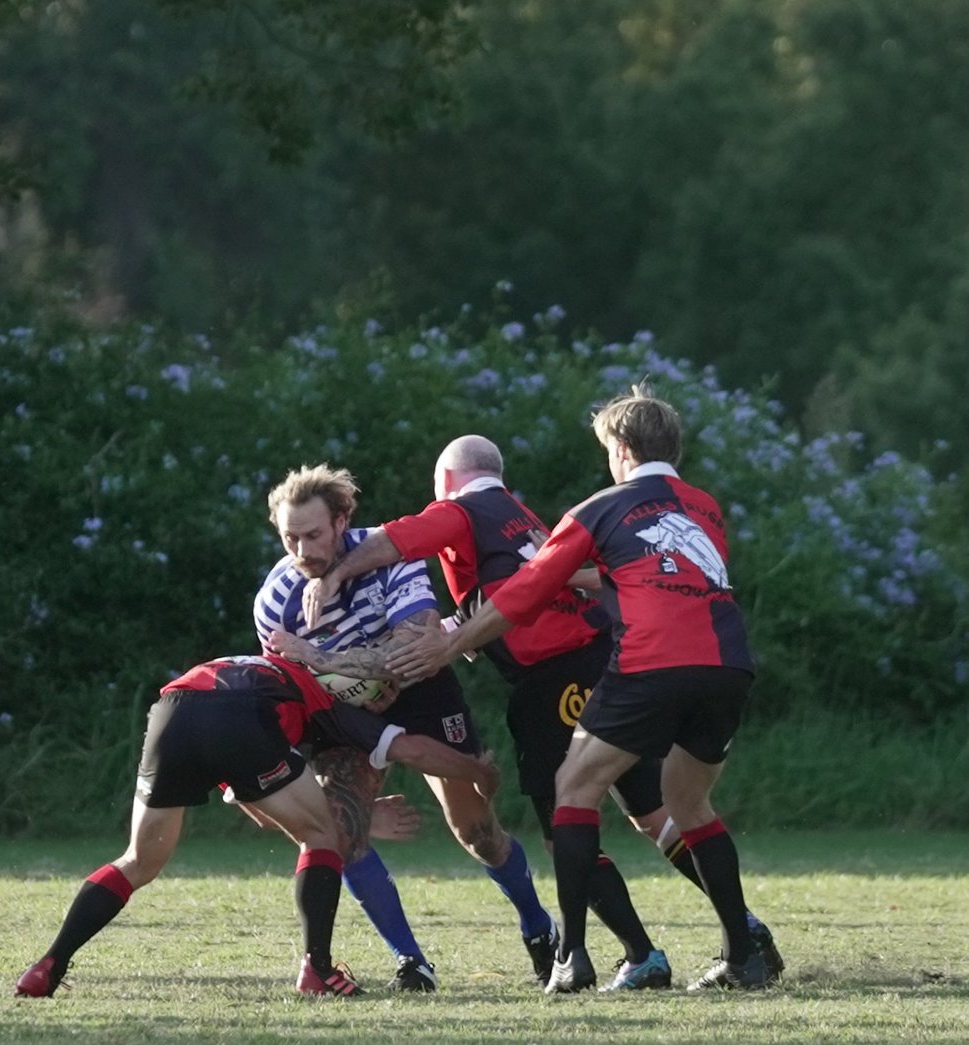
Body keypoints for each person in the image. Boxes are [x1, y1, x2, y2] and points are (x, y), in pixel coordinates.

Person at [301, 434, 782, 990]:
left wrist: (334, 573)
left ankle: (638, 955)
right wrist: (458, 629)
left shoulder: (462, 510)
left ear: (447, 481)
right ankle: (744, 928)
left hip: (554, 680)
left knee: (566, 821)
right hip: (608, 659)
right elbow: (529, 589)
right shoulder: (521, 517)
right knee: (652, 811)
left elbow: (396, 539)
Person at [423, 389, 773, 990]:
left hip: (650, 664)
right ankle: (743, 955)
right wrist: (574, 577)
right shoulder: (705, 508)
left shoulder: (599, 508)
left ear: (623, 449)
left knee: (573, 792)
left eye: (609, 449)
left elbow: (524, 593)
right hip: (728, 666)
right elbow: (644, 572)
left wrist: (451, 645)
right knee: (688, 807)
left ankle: (574, 957)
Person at [15, 653, 502, 998]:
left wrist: (360, 815)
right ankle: (318, 970)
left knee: (138, 860)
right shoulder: (319, 696)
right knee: (322, 837)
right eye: (376, 689)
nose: (380, 698)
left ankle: (47, 966)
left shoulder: (258, 668)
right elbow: (410, 749)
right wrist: (478, 771)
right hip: (240, 716)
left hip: (172, 711)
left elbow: (256, 802)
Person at [252, 464, 555, 990]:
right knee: (340, 831)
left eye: (314, 535)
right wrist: (344, 681)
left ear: (342, 520)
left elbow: (414, 649)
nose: (302, 551)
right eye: (290, 538)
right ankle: (412, 964)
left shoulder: (393, 556)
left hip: (422, 693)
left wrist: (323, 658)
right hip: (343, 712)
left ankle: (539, 927)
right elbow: (296, 688)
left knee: (475, 830)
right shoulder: (275, 601)